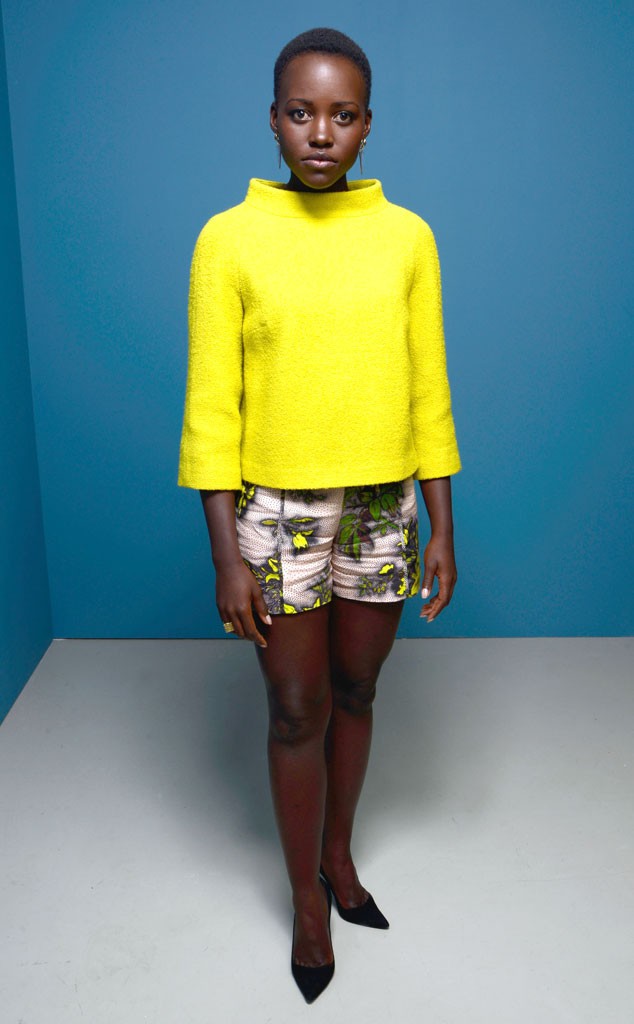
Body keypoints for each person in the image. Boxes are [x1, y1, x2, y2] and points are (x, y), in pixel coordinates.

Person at [178, 26, 461, 1003]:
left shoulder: (407, 236)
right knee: (296, 707)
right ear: (273, 119)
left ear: (368, 125)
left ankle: (340, 858)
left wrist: (443, 522)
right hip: (276, 507)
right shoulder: (228, 238)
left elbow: (428, 387)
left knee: (357, 689)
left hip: (383, 503)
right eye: (301, 112)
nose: (321, 133)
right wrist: (226, 555)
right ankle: (305, 901)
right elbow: (211, 408)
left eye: (342, 115)